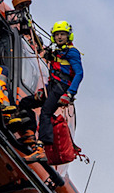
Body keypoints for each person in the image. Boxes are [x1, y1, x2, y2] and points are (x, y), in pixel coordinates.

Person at [29, 20, 83, 161]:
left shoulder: (72, 52)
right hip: (52, 86)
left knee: (46, 112)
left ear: (68, 36)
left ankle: (41, 148)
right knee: (26, 102)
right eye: (57, 34)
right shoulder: (55, 52)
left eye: (62, 34)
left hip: (61, 88)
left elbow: (79, 74)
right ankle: (28, 134)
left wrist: (70, 94)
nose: (59, 37)